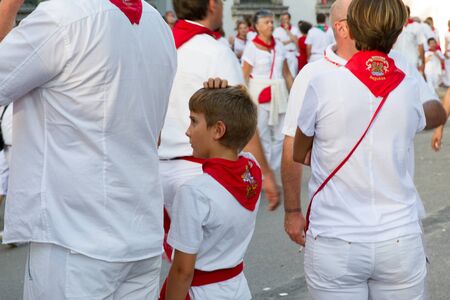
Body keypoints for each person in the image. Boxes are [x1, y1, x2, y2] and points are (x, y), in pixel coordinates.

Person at [0, 0, 177, 299]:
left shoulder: (63, 15)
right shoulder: (157, 23)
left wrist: (6, 9)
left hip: (75, 239)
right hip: (140, 229)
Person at [282, 0, 446, 250]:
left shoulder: (398, 65)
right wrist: (292, 209)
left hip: (397, 226)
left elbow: (436, 111)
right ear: (342, 28)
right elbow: (293, 147)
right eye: (363, 16)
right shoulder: (313, 76)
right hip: (337, 230)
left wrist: (404, 116)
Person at [159, 0, 280, 261]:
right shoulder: (214, 50)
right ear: (212, 5)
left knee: (179, 263)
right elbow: (240, 117)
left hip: (158, 169)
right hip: (199, 170)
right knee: (210, 265)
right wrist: (266, 173)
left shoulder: (160, 42)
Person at [161, 85, 260, 300]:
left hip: (201, 293)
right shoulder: (252, 170)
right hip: (238, 288)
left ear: (218, 130)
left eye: (194, 121)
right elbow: (237, 137)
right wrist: (225, 97)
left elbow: (182, 271)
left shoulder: (195, 192)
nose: (187, 131)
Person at [242, 10, 294, 172]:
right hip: (259, 94)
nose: (271, 25)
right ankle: (261, 172)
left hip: (279, 93)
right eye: (266, 22)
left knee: (280, 135)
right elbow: (243, 75)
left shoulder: (278, 45)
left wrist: (295, 96)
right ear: (257, 26)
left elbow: (286, 73)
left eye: (272, 22)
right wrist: (244, 100)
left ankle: (272, 170)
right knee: (262, 134)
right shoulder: (251, 47)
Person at [393, 6, 426, 74]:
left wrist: (422, 62)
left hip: (412, 62)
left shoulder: (416, 26)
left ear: (408, 14)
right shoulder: (394, 26)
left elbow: (420, 45)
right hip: (396, 61)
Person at [273, 12, 301, 76]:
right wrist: (291, 40)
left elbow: (297, 42)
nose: (284, 21)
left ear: (289, 19)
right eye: (283, 19)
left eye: (286, 19)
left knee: (293, 75)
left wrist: (287, 30)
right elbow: (278, 43)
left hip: (292, 54)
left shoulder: (295, 29)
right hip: (282, 55)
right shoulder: (277, 30)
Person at [443, 20, 450, 87]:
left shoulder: (447, 33)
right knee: (448, 67)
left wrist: (445, 52)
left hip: (448, 51)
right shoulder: (447, 33)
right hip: (448, 52)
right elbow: (446, 43)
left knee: (448, 67)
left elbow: (446, 43)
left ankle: (448, 82)